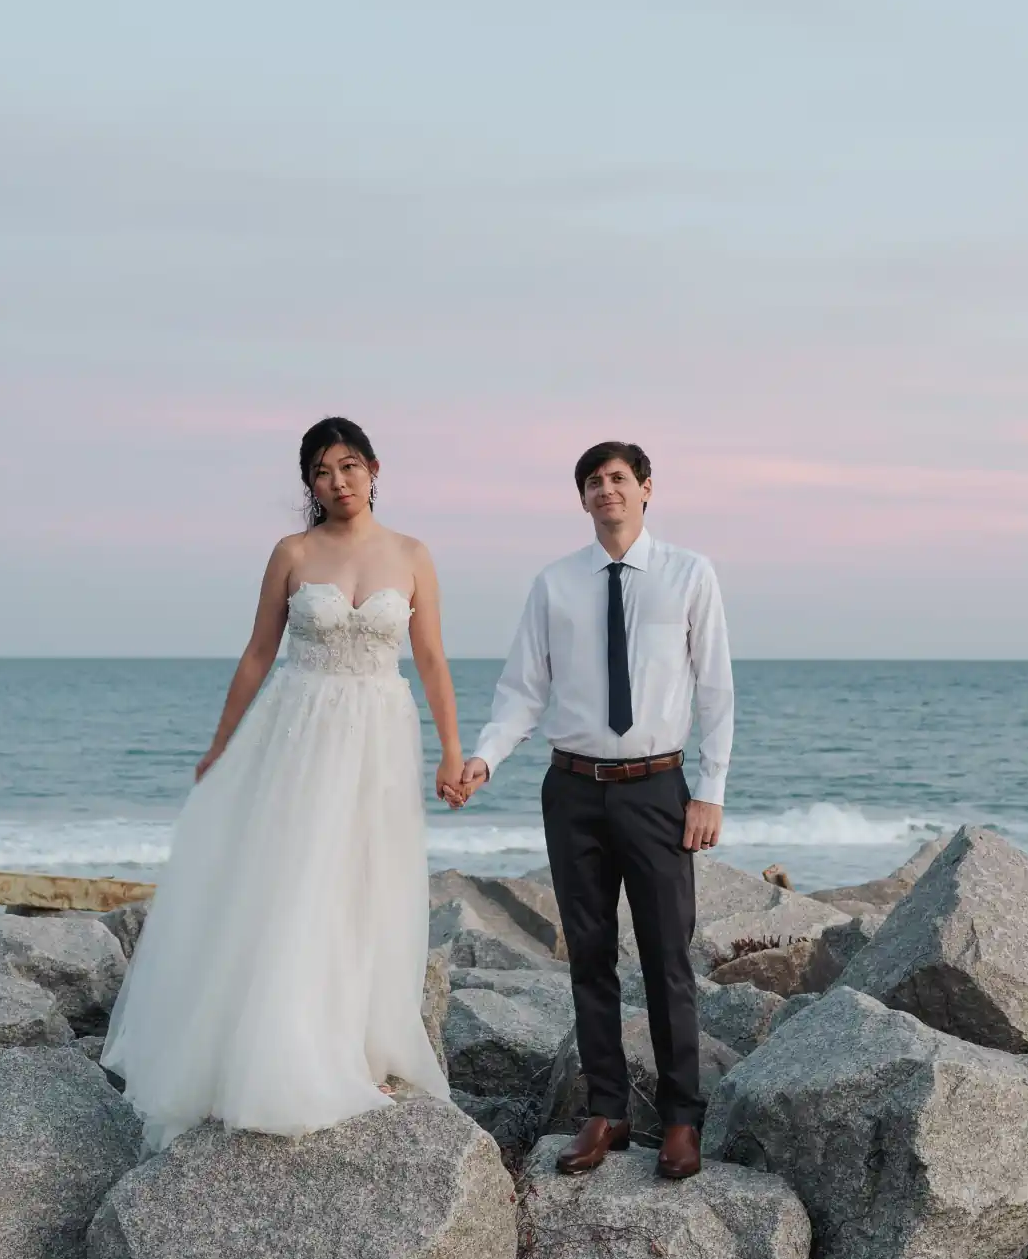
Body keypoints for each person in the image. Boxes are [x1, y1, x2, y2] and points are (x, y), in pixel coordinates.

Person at [100, 417, 457, 1150]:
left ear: (374, 469)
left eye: (350, 465)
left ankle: (362, 1045)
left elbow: (431, 660)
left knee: (368, 882)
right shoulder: (292, 552)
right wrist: (219, 744)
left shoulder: (412, 554)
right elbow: (259, 653)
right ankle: (278, 1040)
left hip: (380, 737)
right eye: (322, 471)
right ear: (309, 485)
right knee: (294, 880)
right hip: (301, 731)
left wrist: (454, 750)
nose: (338, 480)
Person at [449, 440, 734, 1181]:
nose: (605, 490)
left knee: (669, 958)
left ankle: (680, 1119)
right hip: (573, 790)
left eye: (617, 478)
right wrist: (486, 756)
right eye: (592, 482)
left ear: (646, 488)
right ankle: (606, 1111)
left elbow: (716, 690)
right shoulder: (556, 584)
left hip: (657, 788)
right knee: (590, 956)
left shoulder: (689, 574)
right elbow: (522, 689)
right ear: (582, 500)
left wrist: (711, 789)